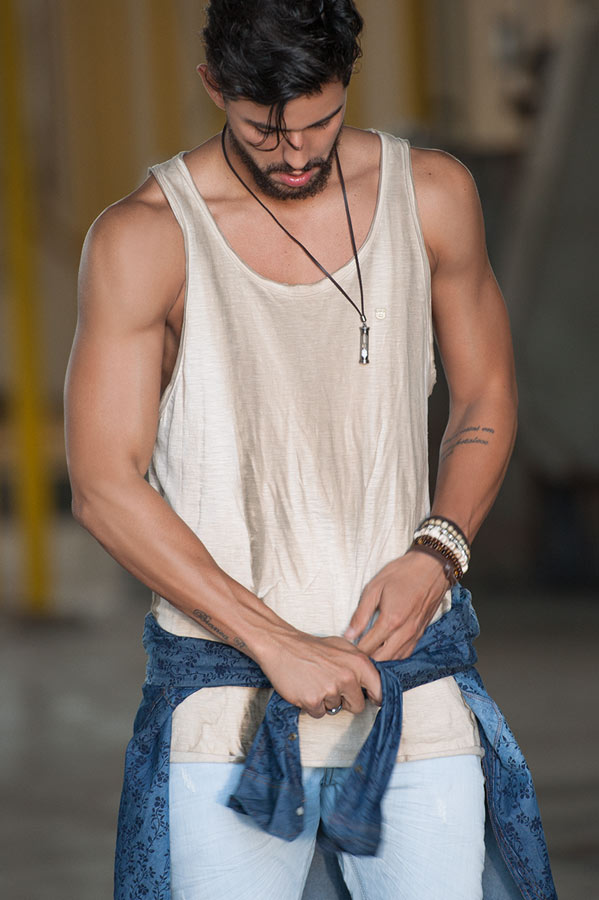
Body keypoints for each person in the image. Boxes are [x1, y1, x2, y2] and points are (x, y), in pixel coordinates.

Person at [64, 2, 556, 899]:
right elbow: (103, 485)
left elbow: (485, 394)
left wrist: (437, 554)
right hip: (224, 708)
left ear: (345, 83)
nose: (293, 153)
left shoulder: (430, 194)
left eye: (318, 122)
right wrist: (276, 643)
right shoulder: (145, 236)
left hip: (410, 684)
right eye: (262, 129)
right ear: (214, 86)